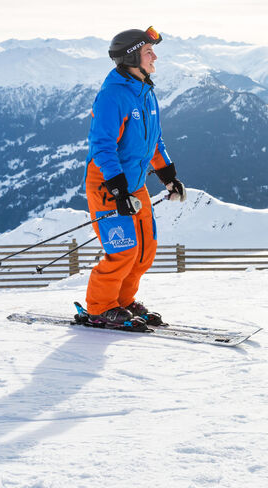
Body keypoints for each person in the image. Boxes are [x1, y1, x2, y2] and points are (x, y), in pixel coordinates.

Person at [83, 26, 186, 329]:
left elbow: (154, 141)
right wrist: (117, 189)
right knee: (123, 249)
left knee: (145, 250)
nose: (155, 57)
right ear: (131, 58)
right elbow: (102, 146)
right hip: (108, 184)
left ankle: (123, 301)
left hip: (135, 185)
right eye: (148, 52)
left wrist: (168, 176)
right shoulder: (112, 96)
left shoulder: (146, 92)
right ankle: (100, 307)